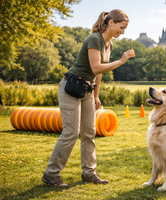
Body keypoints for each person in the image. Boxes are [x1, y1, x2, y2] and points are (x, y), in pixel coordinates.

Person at [42, 9, 134, 188]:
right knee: (71, 132)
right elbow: (97, 67)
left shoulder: (109, 45)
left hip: (87, 90)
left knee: (89, 132)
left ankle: (89, 173)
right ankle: (51, 174)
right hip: (71, 87)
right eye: (121, 28)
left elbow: (97, 74)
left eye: (124, 29)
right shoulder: (95, 39)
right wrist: (121, 61)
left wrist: (96, 95)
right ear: (111, 23)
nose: (122, 32)